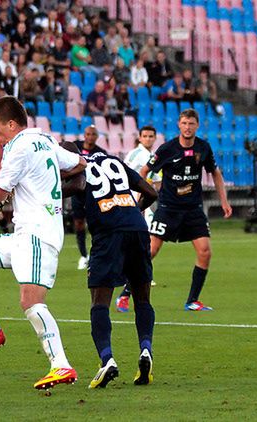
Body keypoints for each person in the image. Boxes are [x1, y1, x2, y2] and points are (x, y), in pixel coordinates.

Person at [0, 96, 86, 390]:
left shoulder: (18, 148)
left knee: (30, 301)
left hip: (38, 235)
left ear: (11, 124)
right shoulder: (44, 139)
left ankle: (61, 365)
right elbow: (78, 162)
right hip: (23, 234)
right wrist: (46, 176)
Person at [77, 148, 158, 388]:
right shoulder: (114, 161)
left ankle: (107, 359)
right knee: (142, 299)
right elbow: (151, 192)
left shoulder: (78, 168)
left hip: (108, 234)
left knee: (99, 303)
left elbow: (72, 187)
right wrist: (135, 210)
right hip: (137, 229)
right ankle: (146, 350)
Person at [141, 109, 232, 311]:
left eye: (191, 123)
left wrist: (224, 201)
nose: (187, 127)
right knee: (151, 250)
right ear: (179, 125)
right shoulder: (167, 149)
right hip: (168, 208)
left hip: (193, 209)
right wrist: (140, 198)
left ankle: (192, 301)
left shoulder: (203, 148)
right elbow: (145, 171)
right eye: (184, 123)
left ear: (197, 125)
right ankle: (126, 292)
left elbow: (215, 173)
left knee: (205, 252)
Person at [115, 126, 162, 312]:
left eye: (151, 136)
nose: (148, 139)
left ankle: (137, 278)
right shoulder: (135, 155)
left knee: (145, 245)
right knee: (143, 246)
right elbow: (122, 176)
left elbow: (156, 181)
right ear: (140, 138)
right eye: (145, 136)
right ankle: (128, 282)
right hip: (134, 202)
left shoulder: (152, 157)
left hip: (146, 203)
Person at [72, 126, 107, 270]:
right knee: (79, 223)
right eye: (88, 134)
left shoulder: (101, 153)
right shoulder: (75, 147)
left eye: (93, 134)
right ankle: (83, 255)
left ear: (97, 136)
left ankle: (94, 256)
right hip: (77, 192)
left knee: (94, 224)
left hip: (92, 193)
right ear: (84, 135)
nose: (90, 137)